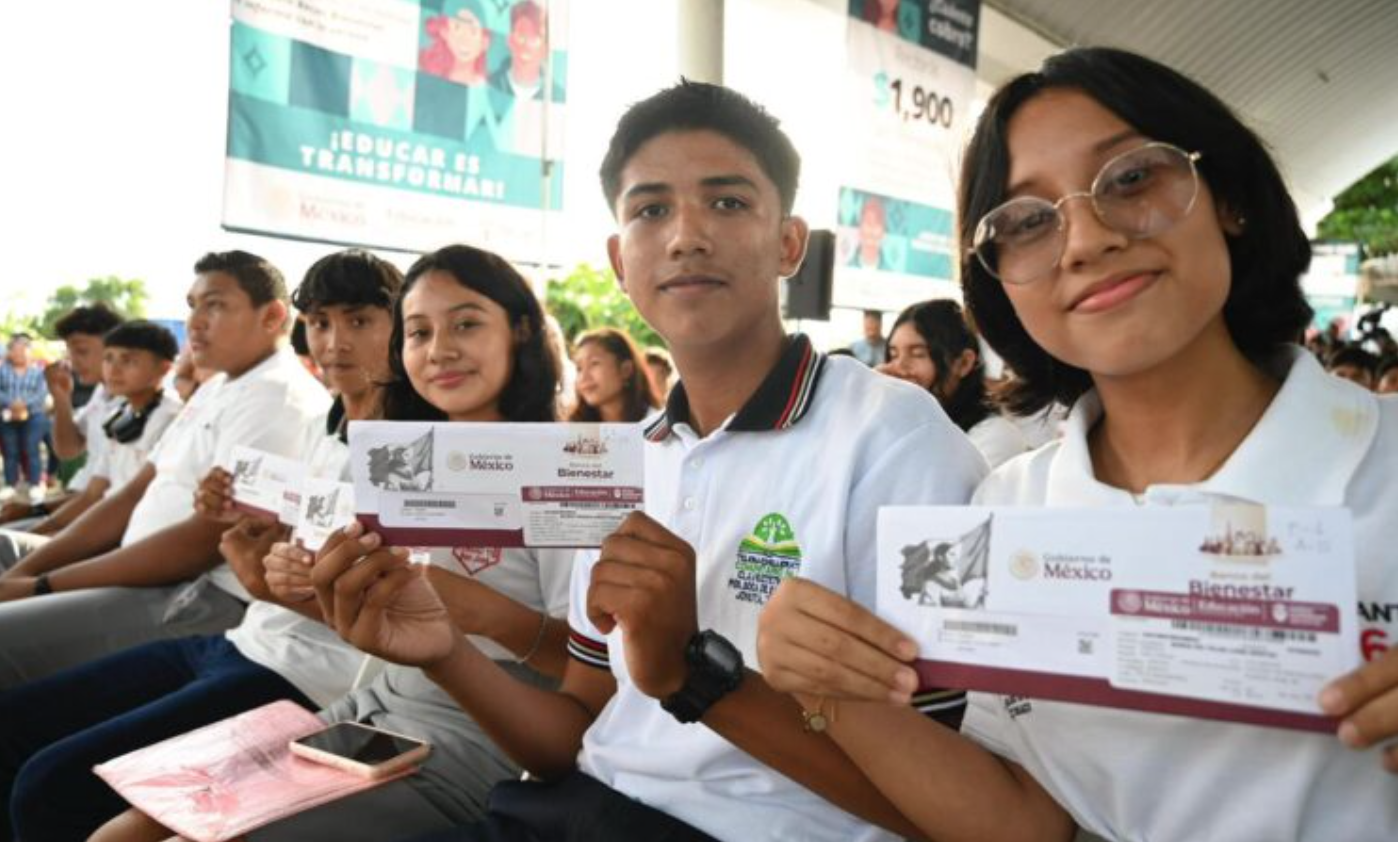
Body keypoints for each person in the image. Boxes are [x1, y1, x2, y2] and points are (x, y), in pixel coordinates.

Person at [293, 81, 984, 842]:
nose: (686, 235)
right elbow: (575, 732)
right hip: (574, 810)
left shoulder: (894, 440)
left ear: (790, 243)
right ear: (620, 259)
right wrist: (447, 653)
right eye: (651, 210)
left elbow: (947, 806)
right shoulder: (619, 461)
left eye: (728, 202)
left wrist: (695, 674)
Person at [755, 47, 1398, 841]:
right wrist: (827, 688)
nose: (1086, 240)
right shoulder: (1007, 511)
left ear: (1228, 196)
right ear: (999, 279)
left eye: (1131, 178)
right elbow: (1029, 820)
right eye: (1028, 222)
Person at [86, 245, 574, 842]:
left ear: (520, 329)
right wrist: (291, 579)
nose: (439, 350)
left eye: (466, 324)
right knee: (121, 832)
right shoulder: (399, 457)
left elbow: (597, 671)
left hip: (483, 732)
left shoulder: (569, 473)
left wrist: (476, 612)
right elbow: (383, 623)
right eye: (419, 332)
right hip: (374, 701)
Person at [0, 251, 329, 689]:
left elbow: (205, 542)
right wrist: (22, 577)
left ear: (271, 316)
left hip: (195, 592)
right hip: (135, 567)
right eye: (193, 305)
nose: (195, 322)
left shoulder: (278, 397)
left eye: (215, 305)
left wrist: (41, 586)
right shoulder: (218, 386)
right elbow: (133, 492)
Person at [0, 321, 183, 560]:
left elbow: (127, 502)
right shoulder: (121, 413)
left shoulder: (171, 418)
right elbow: (93, 494)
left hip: (128, 539)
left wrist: (46, 539)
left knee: (7, 547)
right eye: (109, 358)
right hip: (95, 524)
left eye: (128, 360)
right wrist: (37, 528)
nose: (114, 369)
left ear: (164, 369)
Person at [0, 306, 124, 528]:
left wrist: (37, 512)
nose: (73, 362)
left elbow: (101, 496)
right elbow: (68, 449)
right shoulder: (102, 393)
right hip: (75, 504)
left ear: (115, 349)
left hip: (90, 515)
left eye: (82, 352)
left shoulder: (133, 404)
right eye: (70, 352)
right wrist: (61, 398)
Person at [878, 299, 1030, 467]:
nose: (899, 367)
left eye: (918, 354)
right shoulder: (902, 422)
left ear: (963, 363)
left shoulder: (995, 436)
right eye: (894, 355)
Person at [567, 327, 661, 423]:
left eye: (594, 363)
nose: (583, 377)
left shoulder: (655, 425)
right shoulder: (572, 427)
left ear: (626, 370)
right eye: (579, 368)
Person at [0, 334, 48, 496]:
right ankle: (10, 484)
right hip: (8, 414)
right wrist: (11, 403)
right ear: (10, 352)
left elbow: (41, 393)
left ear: (29, 351)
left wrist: (23, 404)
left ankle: (35, 483)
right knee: (10, 450)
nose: (19, 353)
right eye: (15, 350)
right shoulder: (2, 370)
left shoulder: (39, 372)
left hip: (33, 415)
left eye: (23, 349)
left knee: (31, 447)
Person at [487, 1, 562, 103]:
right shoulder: (489, 85)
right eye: (521, 34)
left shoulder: (558, 96)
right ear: (510, 40)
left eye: (534, 37)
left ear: (545, 48)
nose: (526, 44)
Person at [420, 0, 490, 87]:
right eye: (457, 28)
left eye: (473, 32)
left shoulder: (484, 86)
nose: (464, 39)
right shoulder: (429, 77)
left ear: (484, 42)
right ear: (445, 32)